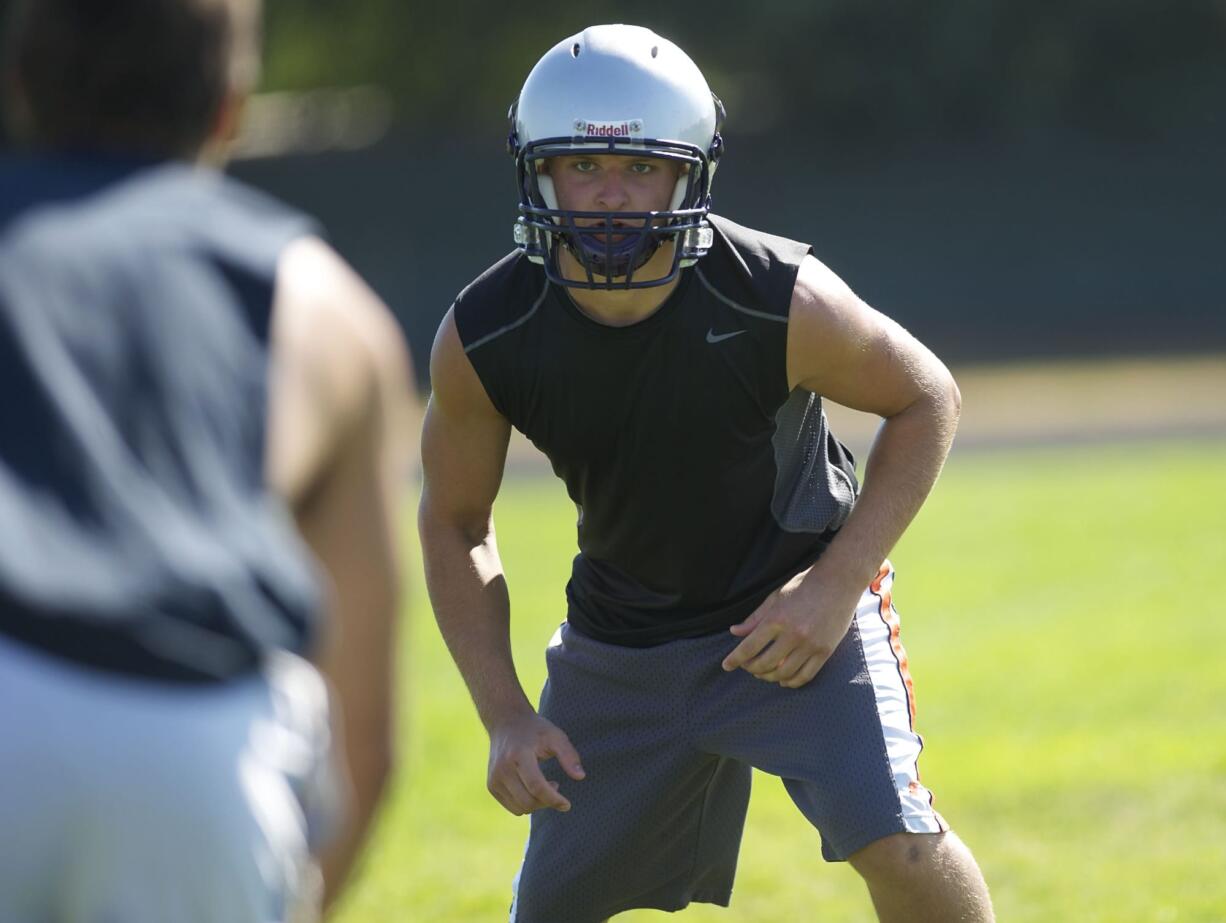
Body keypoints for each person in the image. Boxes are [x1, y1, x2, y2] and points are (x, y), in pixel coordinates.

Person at [419, 23, 995, 923]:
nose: (611, 197)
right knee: (551, 912)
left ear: (692, 172)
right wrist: (503, 711)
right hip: (623, 644)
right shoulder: (486, 332)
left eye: (642, 169)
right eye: (582, 167)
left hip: (792, 614)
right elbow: (455, 521)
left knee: (905, 843)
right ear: (537, 171)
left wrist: (836, 585)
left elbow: (928, 397)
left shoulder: (777, 296)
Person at [0, 0, 413, 920]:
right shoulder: (328, 306)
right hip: (197, 745)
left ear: (20, 86)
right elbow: (366, 739)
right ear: (232, 106)